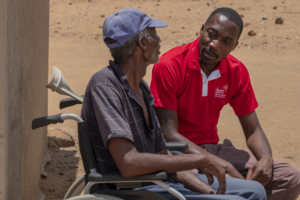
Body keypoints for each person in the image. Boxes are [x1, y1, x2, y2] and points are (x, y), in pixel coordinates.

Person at [81, 8, 266, 200]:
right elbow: (129, 163)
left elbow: (163, 156)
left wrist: (208, 190)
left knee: (255, 190)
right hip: (136, 190)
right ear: (143, 43)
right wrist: (201, 159)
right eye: (154, 34)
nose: (159, 40)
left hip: (161, 182)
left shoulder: (141, 89)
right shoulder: (105, 86)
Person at [150, 7, 300, 200]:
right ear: (202, 29)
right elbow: (169, 134)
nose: (214, 45)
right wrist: (220, 164)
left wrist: (266, 159)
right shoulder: (170, 65)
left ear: (234, 46)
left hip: (212, 148)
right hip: (179, 152)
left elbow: (253, 129)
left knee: (289, 178)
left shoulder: (236, 71)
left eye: (226, 41)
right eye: (211, 34)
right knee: (201, 182)